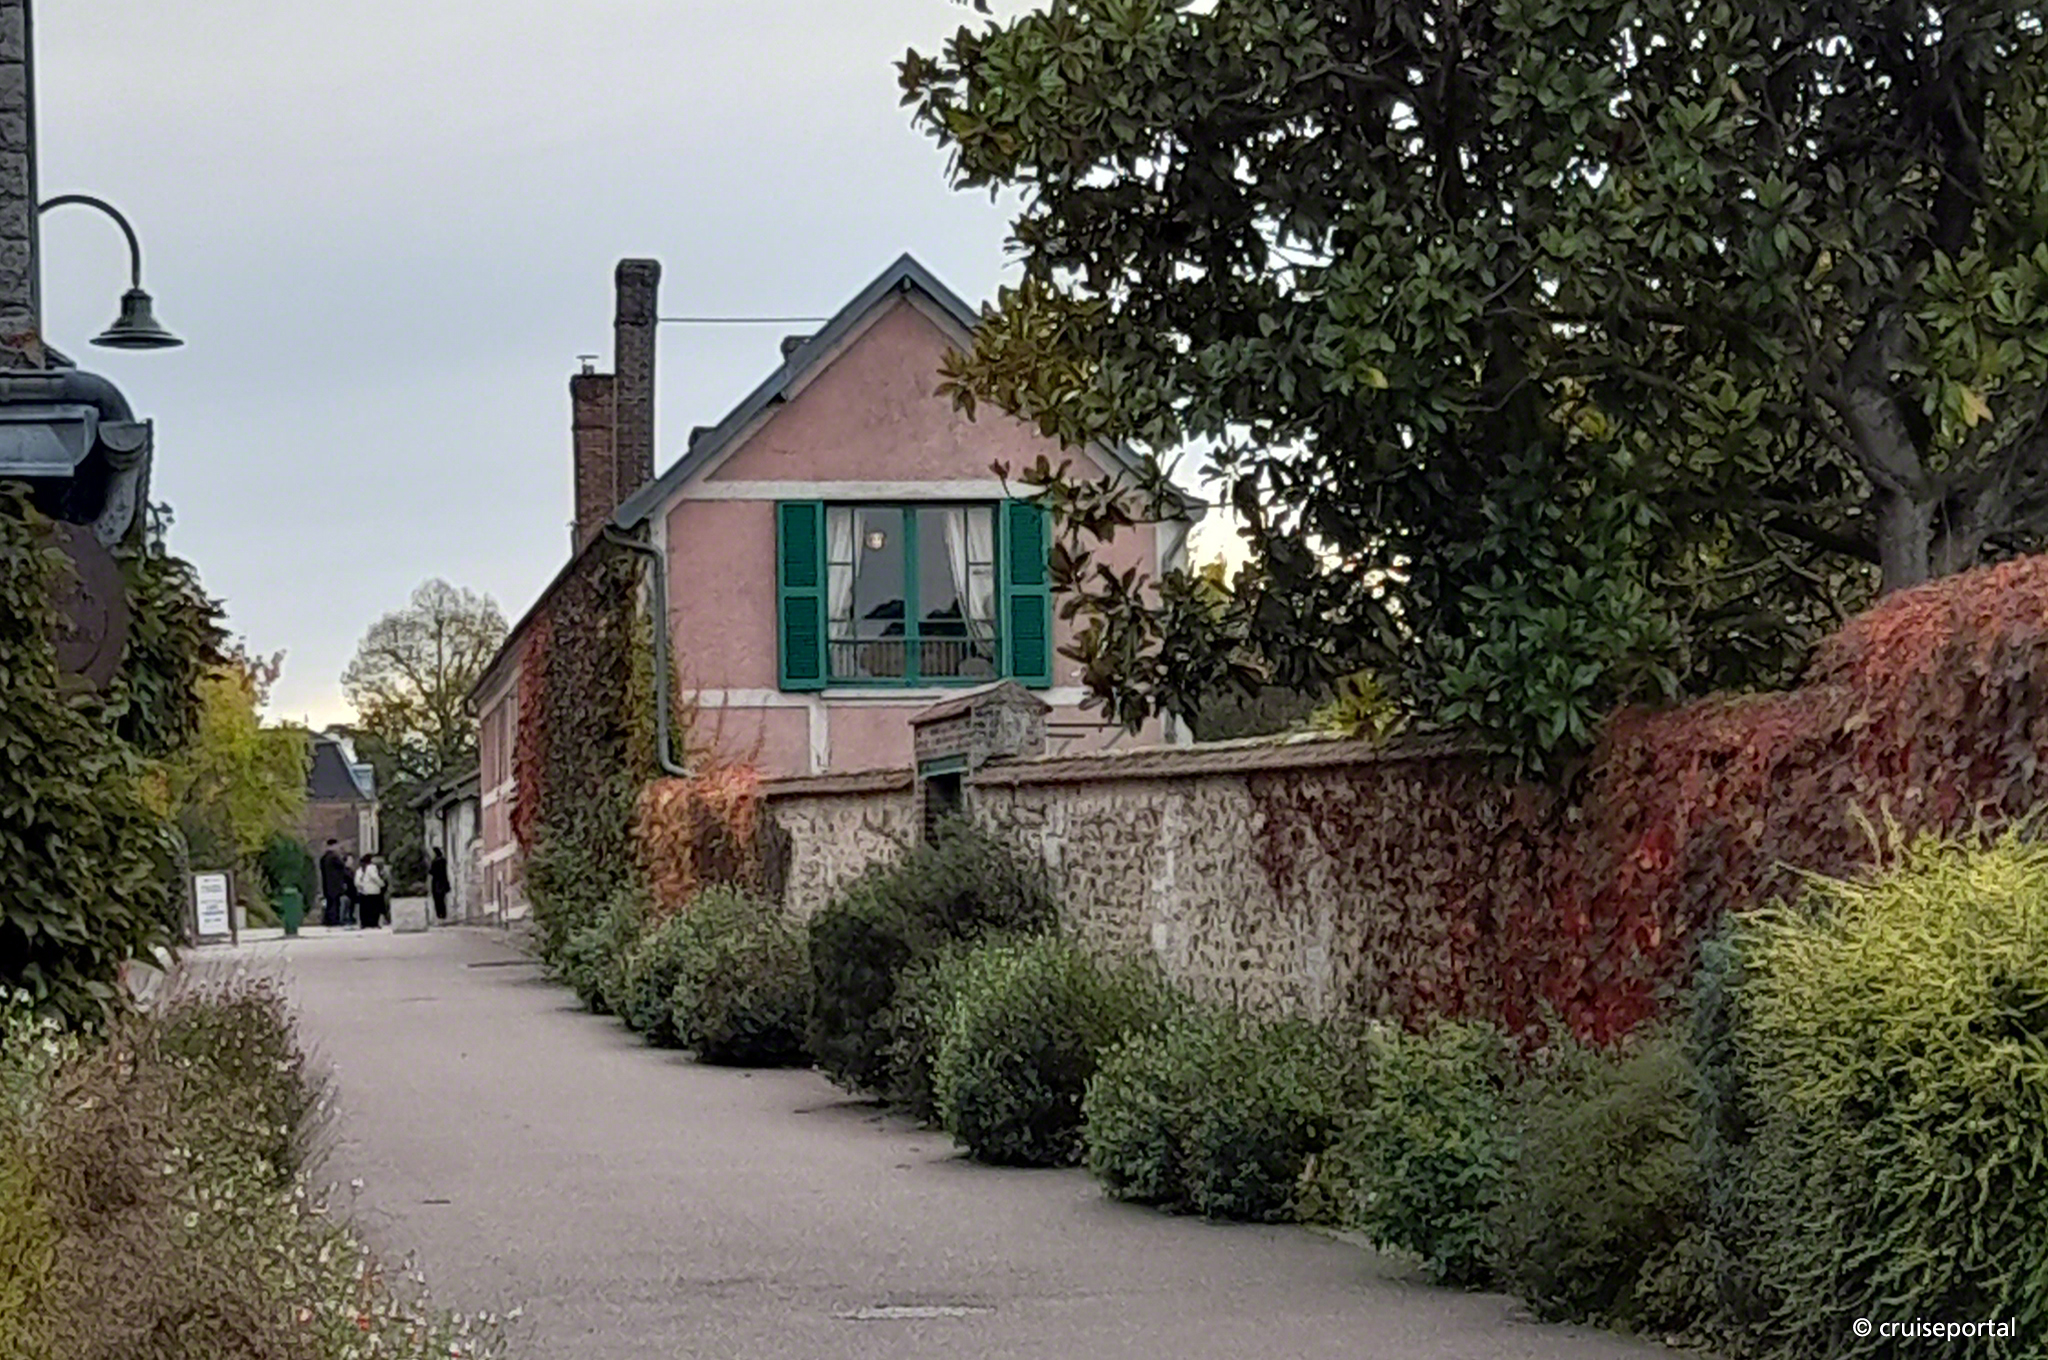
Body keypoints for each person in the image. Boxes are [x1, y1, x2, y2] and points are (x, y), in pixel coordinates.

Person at [318, 839, 349, 928]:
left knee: (330, 902)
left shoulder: (324, 858)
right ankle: (334, 919)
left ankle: (328, 919)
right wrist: (344, 857)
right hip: (335, 883)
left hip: (327, 883)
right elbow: (342, 866)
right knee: (335, 902)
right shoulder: (334, 857)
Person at [354, 854, 389, 930]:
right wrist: (382, 884)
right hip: (373, 890)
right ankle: (373, 923)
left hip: (365, 891)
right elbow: (374, 877)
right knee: (374, 908)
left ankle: (366, 923)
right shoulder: (371, 867)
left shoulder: (361, 869)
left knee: (366, 908)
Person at [429, 847, 451, 923]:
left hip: (437, 883)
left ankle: (439, 915)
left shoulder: (435, 862)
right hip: (443, 882)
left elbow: (431, 872)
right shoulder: (443, 861)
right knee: (442, 899)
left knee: (437, 900)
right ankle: (443, 915)